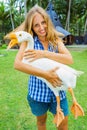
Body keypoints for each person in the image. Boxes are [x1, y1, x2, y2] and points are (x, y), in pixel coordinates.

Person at [14, 5, 73, 130]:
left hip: (58, 92)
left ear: (47, 22)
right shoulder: (28, 42)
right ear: (32, 27)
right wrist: (46, 75)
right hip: (37, 93)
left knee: (63, 126)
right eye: (36, 25)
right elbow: (17, 64)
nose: (41, 28)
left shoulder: (55, 39)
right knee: (41, 123)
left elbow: (69, 59)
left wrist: (44, 53)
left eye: (43, 22)